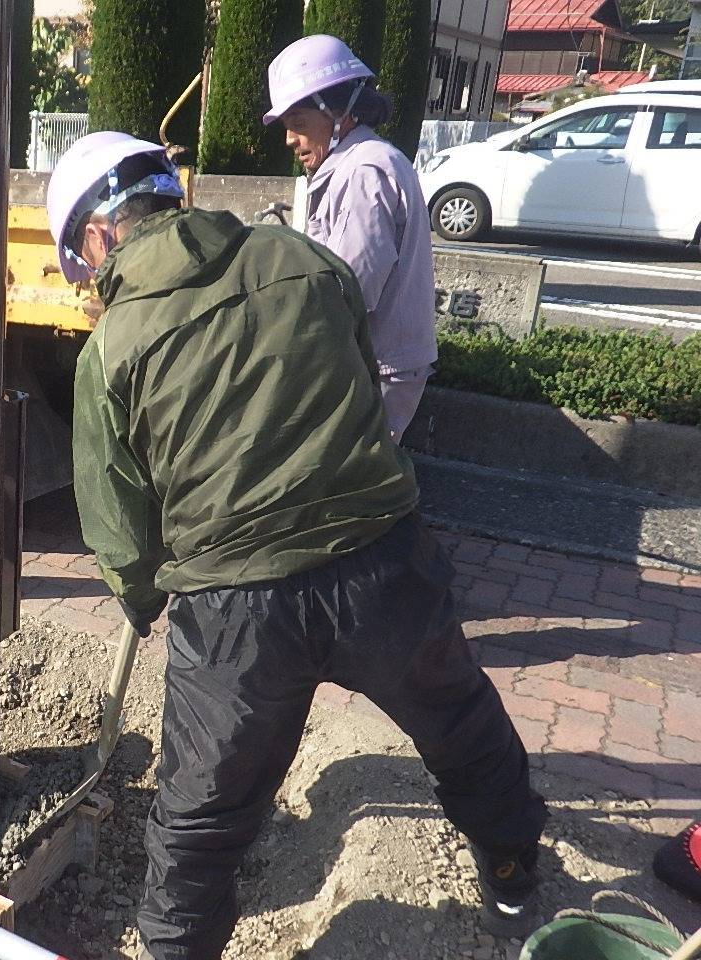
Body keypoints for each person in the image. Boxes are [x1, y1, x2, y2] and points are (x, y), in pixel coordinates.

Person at [46, 131, 548, 960]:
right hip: (382, 563)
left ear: (98, 237)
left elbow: (119, 523)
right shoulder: (305, 260)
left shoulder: (111, 350)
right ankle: (512, 873)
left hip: (236, 613)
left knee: (201, 819)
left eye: (82, 264)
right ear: (171, 193)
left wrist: (138, 598)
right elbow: (359, 384)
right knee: (458, 719)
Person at [264, 35, 438, 441]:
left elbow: (351, 288)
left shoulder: (363, 172)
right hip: (375, 361)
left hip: (375, 367)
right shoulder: (357, 162)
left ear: (337, 112)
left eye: (299, 124)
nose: (290, 139)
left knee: (345, 488)